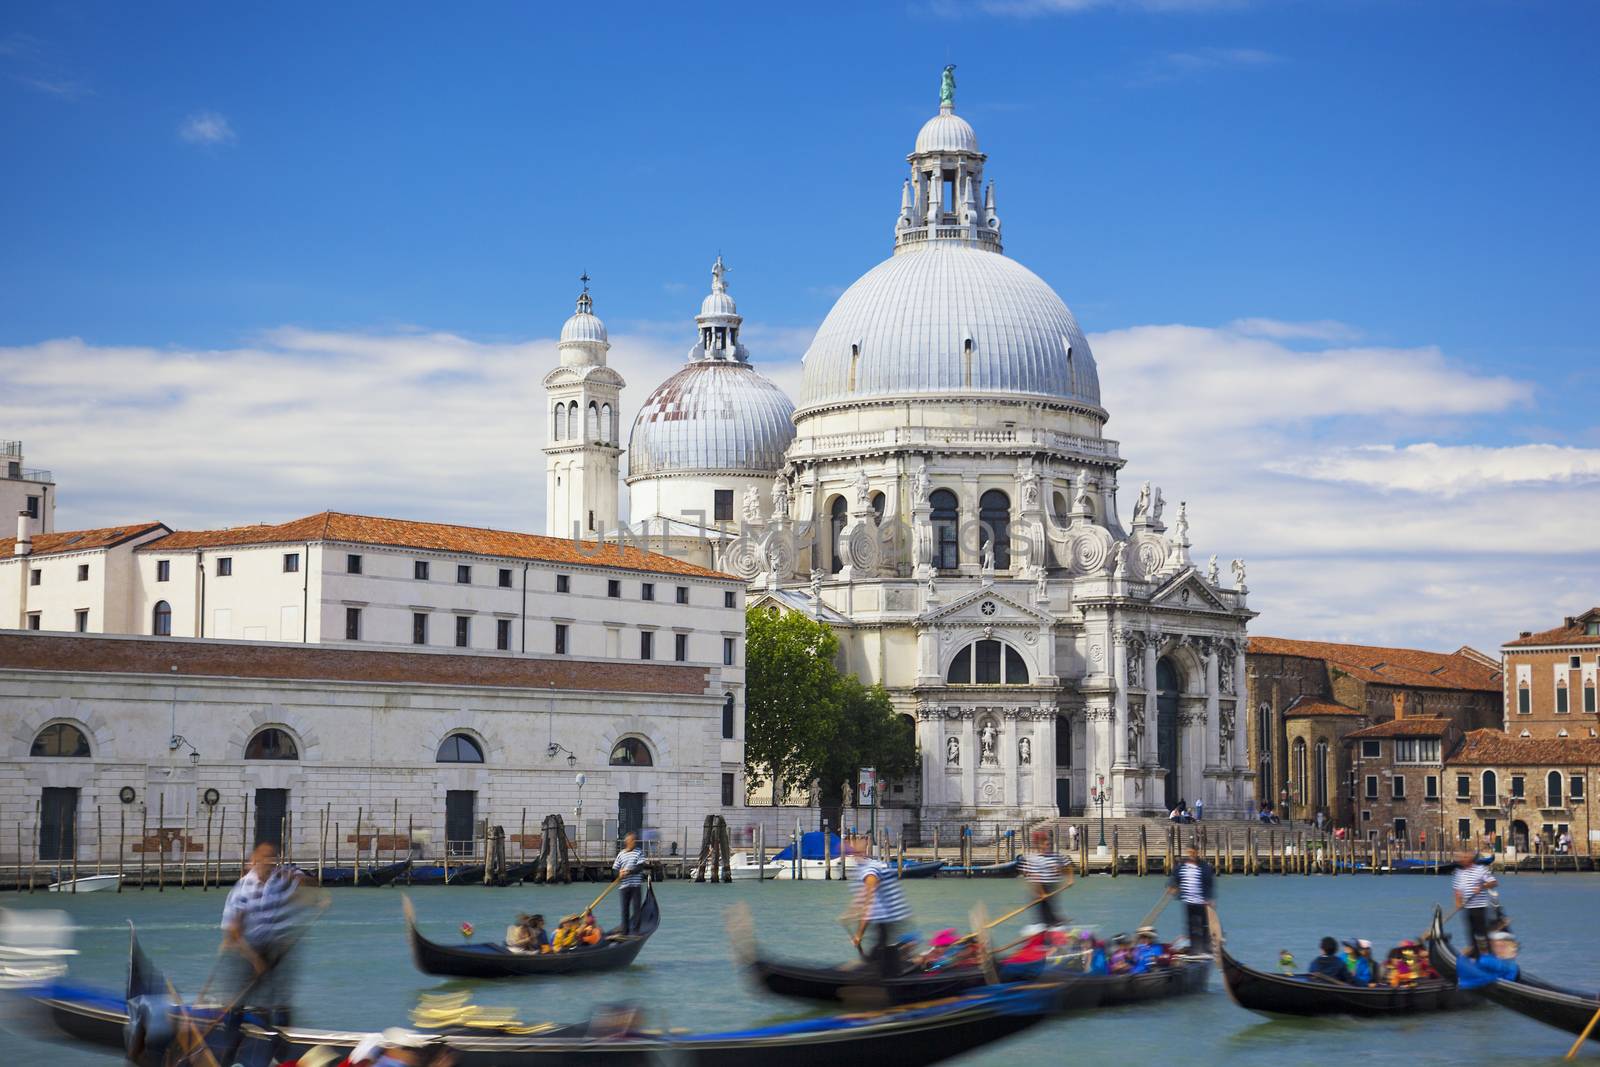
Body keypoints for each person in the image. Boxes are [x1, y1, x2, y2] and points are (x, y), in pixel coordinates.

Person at [219, 840, 304, 1044]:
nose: (269, 862)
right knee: (240, 998)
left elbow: (305, 880)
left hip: (276, 949)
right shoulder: (243, 889)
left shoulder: (280, 879)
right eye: (264, 858)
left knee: (280, 999)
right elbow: (233, 931)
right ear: (254, 860)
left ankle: (283, 1043)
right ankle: (230, 1043)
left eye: (272, 858)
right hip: (249, 950)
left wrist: (303, 882)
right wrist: (255, 959)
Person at [848, 832, 912, 977]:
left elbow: (868, 905)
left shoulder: (870, 872)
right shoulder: (867, 867)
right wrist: (850, 913)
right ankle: (880, 971)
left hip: (887, 917)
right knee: (881, 950)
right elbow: (861, 897)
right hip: (887, 916)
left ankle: (888, 979)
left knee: (883, 950)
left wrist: (859, 934)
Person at [1167, 845, 1215, 952]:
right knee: (1190, 925)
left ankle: (1205, 946)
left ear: (1197, 853)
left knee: (1202, 924)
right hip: (1188, 900)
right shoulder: (1182, 866)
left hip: (1201, 901)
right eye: (1189, 852)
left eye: (1193, 852)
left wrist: (1210, 898)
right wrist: (1171, 886)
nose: (1191, 855)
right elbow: (1174, 877)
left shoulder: (1204, 867)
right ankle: (1194, 948)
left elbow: (1209, 883)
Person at [1018, 830, 1070, 927]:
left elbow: (1067, 865)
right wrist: (1042, 893)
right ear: (1040, 845)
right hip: (1038, 887)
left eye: (1049, 844)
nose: (1048, 846)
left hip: (1051, 886)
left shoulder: (1056, 856)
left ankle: (1054, 923)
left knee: (1051, 907)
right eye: (1046, 844)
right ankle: (1048, 924)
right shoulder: (1033, 858)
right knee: (1041, 910)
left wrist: (1070, 880)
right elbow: (1035, 878)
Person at [1452, 846, 1498, 955]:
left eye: (1464, 857)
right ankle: (1475, 955)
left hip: (1479, 907)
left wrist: (1482, 886)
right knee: (1470, 933)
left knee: (1482, 933)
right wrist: (1458, 902)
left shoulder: (1480, 869)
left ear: (1470, 859)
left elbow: (1494, 882)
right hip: (1467, 907)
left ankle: (1490, 956)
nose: (1462, 859)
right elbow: (1457, 889)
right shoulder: (1459, 873)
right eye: (1461, 858)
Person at [612, 832, 645, 934]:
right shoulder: (621, 854)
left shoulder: (639, 852)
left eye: (635, 840)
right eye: (632, 840)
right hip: (624, 886)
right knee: (625, 910)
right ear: (627, 842)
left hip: (636, 886)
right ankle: (625, 931)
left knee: (636, 909)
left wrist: (628, 871)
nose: (634, 842)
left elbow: (640, 867)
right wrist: (619, 873)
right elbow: (614, 870)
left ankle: (636, 931)